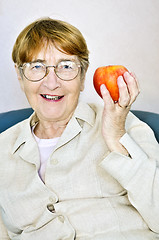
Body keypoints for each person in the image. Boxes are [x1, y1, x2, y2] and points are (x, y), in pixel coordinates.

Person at [0, 17, 159, 240]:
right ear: (20, 76)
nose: (52, 82)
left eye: (66, 66)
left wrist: (117, 138)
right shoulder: (2, 149)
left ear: (83, 77)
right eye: (37, 66)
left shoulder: (126, 125)